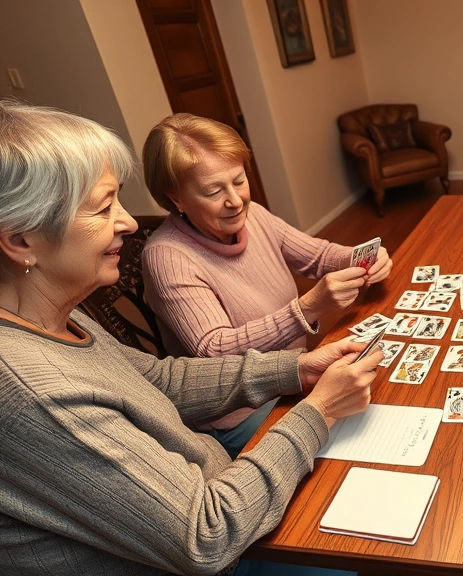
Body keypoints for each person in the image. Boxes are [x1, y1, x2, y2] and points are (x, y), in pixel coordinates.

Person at [0, 101, 378, 575]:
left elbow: (160, 379)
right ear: (20, 242)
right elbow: (208, 536)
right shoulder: (32, 390)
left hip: (224, 490)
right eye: (103, 207)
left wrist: (296, 368)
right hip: (226, 545)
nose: (130, 223)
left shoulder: (52, 314)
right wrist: (317, 410)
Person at [141, 113, 393, 457]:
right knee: (360, 448)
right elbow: (215, 353)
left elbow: (318, 256)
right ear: (176, 199)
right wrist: (307, 308)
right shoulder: (166, 257)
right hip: (240, 414)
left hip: (299, 374)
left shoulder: (253, 214)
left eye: (239, 180)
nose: (235, 200)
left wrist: (363, 256)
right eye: (214, 190)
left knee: (385, 405)